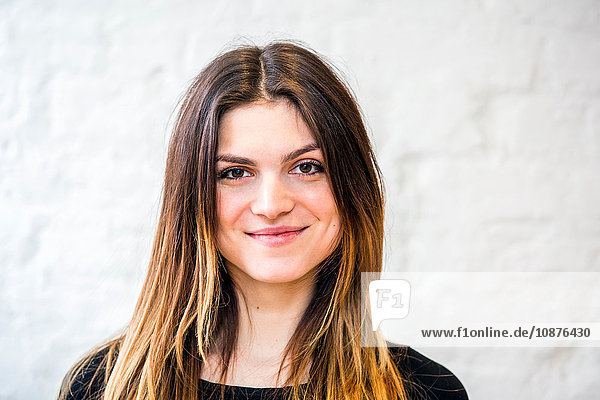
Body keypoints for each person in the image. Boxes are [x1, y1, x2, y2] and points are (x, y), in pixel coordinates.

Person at [58, 41, 468, 400]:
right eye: (235, 173)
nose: (271, 205)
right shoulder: (104, 387)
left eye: (307, 167)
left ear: (352, 188)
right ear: (192, 197)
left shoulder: (425, 390)